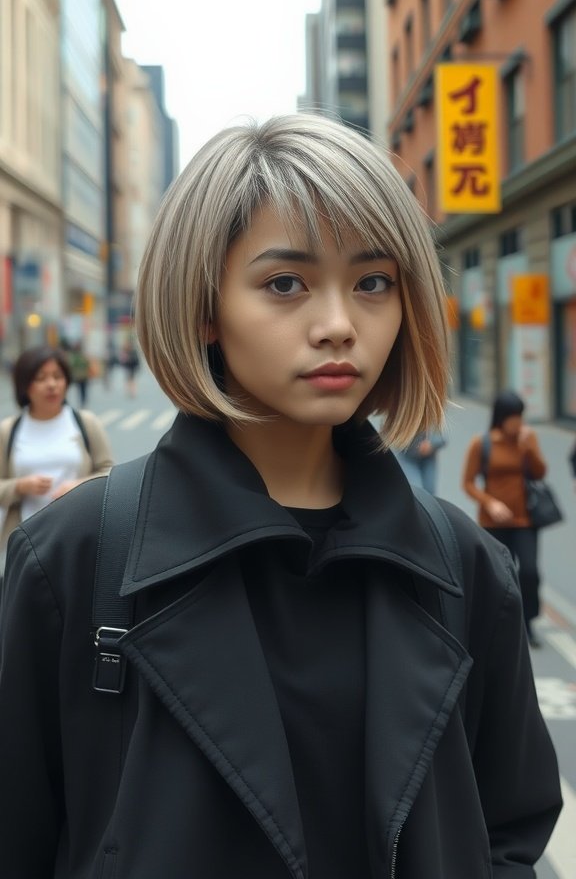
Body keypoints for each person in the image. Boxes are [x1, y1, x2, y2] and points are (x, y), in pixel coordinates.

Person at [0, 115, 561, 878]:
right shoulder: (71, 560)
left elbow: (510, 831)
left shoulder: (465, 567)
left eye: (373, 283)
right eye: (285, 284)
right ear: (205, 308)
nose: (338, 326)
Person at [0, 345, 114, 574]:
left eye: (57, 376)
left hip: (78, 539)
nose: (51, 384)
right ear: (25, 385)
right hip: (25, 542)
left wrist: (79, 485)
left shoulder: (85, 423)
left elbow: (110, 473)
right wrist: (20, 486)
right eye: (41, 378)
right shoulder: (8, 431)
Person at [462, 390, 548, 649]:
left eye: (520, 416)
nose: (518, 422)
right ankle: (501, 626)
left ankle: (528, 622)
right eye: (513, 417)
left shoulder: (527, 438)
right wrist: (490, 502)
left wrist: (528, 448)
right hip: (492, 523)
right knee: (499, 577)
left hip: (525, 520)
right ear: (501, 417)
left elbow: (540, 472)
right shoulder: (483, 443)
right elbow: (468, 483)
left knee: (530, 572)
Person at [395, 429, 447, 493]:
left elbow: (444, 436)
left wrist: (431, 444)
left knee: (430, 491)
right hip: (408, 456)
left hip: (428, 459)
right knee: (416, 490)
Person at [68, 341, 91, 407]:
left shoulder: (75, 356)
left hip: (80, 375)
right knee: (83, 389)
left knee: (81, 389)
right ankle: (83, 400)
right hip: (82, 375)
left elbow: (72, 365)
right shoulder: (81, 356)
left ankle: (83, 400)